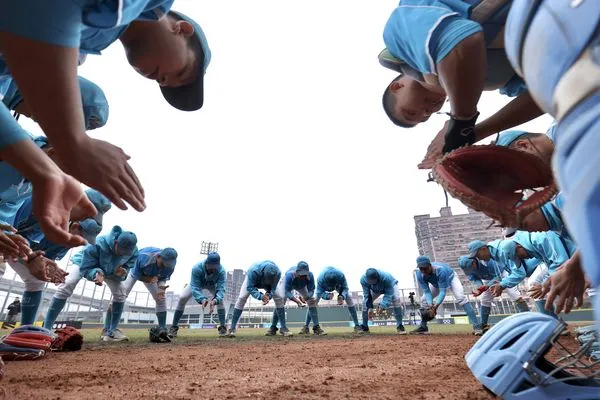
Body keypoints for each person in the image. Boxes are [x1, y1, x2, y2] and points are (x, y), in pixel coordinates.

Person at [0, 3, 211, 239]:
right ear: (182, 29)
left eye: (163, 84)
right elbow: (50, 11)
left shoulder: (88, 40)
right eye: (181, 72)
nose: (163, 79)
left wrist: (46, 174)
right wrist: (74, 141)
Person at [380, 0, 544, 165]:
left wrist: (460, 122)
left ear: (397, 87)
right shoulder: (495, 81)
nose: (426, 113)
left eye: (410, 112)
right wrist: (472, 134)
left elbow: (462, 40)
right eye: (426, 117)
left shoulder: (399, 34)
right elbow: (548, 96)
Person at [9, 189, 110, 326]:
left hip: (15, 243)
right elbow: (13, 233)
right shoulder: (44, 200)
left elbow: (40, 253)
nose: (81, 242)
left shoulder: (64, 230)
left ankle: (25, 330)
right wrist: (33, 259)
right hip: (7, 233)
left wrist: (47, 266)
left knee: (37, 279)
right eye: (86, 215)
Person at [43, 226, 138, 342]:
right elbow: (85, 268)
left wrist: (124, 270)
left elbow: (129, 264)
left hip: (111, 270)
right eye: (122, 250)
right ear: (116, 242)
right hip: (84, 263)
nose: (123, 254)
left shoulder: (133, 251)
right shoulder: (97, 244)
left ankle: (111, 332)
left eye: (126, 252)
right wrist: (96, 274)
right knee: (67, 284)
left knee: (121, 293)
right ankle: (46, 329)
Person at [103, 246, 178, 339]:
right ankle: (107, 329)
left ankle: (162, 329)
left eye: (168, 264)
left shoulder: (170, 265)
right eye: (163, 263)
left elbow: (162, 278)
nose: (165, 266)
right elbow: (136, 275)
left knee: (161, 299)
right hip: (136, 273)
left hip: (153, 276)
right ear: (158, 257)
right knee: (120, 296)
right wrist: (148, 279)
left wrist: (161, 289)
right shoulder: (144, 257)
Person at [413, 256, 482, 335]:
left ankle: (477, 326)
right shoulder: (419, 274)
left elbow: (442, 291)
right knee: (424, 300)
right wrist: (430, 305)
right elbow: (427, 291)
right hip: (436, 284)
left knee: (461, 298)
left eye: (425, 268)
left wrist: (435, 306)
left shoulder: (440, 270)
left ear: (430, 265)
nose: (423, 271)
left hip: (451, 278)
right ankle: (423, 326)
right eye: (421, 268)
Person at [457, 255, 527, 332]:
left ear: (473, 262)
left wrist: (487, 286)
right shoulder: (467, 268)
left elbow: (498, 276)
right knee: (485, 299)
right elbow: (475, 278)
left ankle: (528, 320)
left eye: (470, 268)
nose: (470, 271)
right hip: (489, 278)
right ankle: (484, 325)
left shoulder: (487, 261)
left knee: (513, 294)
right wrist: (480, 288)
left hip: (503, 273)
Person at [169, 252, 226, 338]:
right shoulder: (196, 268)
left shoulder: (221, 271)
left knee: (220, 301)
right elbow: (195, 287)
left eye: (215, 268)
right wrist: (202, 299)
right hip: (197, 284)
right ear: (206, 263)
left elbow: (221, 289)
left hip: (212, 285)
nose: (213, 270)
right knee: (182, 297)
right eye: (211, 267)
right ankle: (173, 327)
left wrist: (215, 300)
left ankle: (222, 328)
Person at [227, 261, 289, 337]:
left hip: (268, 285)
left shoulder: (278, 273)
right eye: (268, 278)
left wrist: (268, 296)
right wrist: (261, 296)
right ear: (263, 272)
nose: (269, 280)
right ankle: (232, 329)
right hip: (253, 282)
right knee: (242, 298)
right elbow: (250, 287)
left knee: (279, 298)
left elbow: (273, 288)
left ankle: (283, 328)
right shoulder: (253, 271)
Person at [268, 261, 325, 336]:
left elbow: (311, 290)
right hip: (288, 284)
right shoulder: (289, 275)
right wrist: (297, 301)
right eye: (301, 274)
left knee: (311, 301)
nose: (303, 276)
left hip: (301, 286)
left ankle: (316, 327)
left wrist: (307, 297)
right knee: (280, 301)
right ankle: (273, 328)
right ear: (297, 272)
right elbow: (287, 292)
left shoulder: (310, 275)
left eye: (305, 274)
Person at [304, 266, 360, 332]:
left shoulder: (341, 276)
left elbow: (345, 288)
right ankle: (306, 327)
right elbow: (319, 293)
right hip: (325, 286)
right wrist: (326, 296)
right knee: (313, 302)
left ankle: (357, 326)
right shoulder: (320, 279)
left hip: (338, 286)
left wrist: (342, 296)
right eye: (329, 286)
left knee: (349, 298)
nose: (331, 288)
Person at [359, 268, 406, 335]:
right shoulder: (363, 280)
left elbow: (389, 293)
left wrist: (382, 305)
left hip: (390, 286)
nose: (371, 282)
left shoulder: (386, 278)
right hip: (375, 290)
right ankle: (364, 326)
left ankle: (400, 326)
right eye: (370, 281)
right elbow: (367, 295)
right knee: (364, 303)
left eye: (373, 281)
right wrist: (370, 307)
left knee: (396, 299)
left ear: (377, 277)